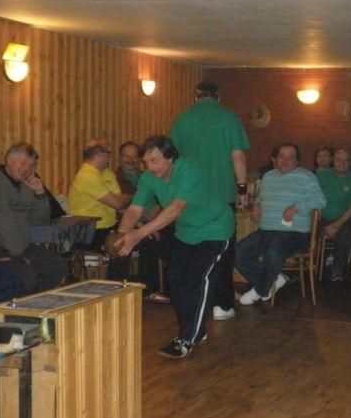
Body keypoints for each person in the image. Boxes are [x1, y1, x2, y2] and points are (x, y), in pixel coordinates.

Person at [115, 136, 234, 359]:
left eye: (155, 161)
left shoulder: (191, 170)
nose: (149, 167)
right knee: (175, 279)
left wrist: (139, 234)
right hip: (187, 233)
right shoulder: (148, 178)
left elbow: (176, 208)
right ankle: (195, 330)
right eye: (146, 162)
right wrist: (122, 237)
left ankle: (187, 339)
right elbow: (134, 210)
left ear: (170, 158)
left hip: (215, 229)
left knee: (199, 279)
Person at [170, 82, 250, 321]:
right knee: (222, 251)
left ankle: (194, 303)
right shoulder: (230, 118)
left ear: (195, 96)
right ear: (218, 97)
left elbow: (172, 159)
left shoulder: (182, 119)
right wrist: (242, 189)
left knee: (191, 249)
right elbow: (238, 157)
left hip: (189, 195)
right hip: (221, 195)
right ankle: (222, 304)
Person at [236, 143, 326, 305]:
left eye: (290, 157)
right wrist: (256, 205)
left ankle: (262, 289)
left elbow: (320, 200)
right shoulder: (268, 176)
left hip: (295, 233)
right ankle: (273, 279)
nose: (285, 160)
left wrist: (296, 207)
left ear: (297, 161)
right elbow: (260, 197)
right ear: (275, 159)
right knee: (237, 253)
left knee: (274, 249)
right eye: (281, 156)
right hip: (266, 231)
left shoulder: (306, 176)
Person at [0, 143, 67, 294]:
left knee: (57, 265)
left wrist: (40, 194)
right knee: (26, 275)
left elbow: (39, 222)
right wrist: (19, 255)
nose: (27, 169)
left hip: (20, 246)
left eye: (32, 166)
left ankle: (35, 302)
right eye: (23, 163)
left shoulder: (26, 186)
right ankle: (18, 306)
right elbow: (4, 222)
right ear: (9, 160)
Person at [68, 138, 134, 281]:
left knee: (140, 239)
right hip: (89, 231)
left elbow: (118, 199)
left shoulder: (105, 172)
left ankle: (131, 285)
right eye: (107, 153)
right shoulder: (87, 176)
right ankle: (114, 286)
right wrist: (130, 196)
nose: (110, 156)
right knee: (120, 245)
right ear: (99, 155)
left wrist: (123, 200)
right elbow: (118, 203)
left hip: (106, 226)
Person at [115, 140, 172, 303]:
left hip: (151, 220)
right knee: (142, 241)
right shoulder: (116, 178)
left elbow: (159, 203)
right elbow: (122, 208)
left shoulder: (145, 175)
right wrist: (142, 226)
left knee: (171, 239)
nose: (130, 160)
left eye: (134, 156)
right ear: (120, 158)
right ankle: (144, 290)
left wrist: (150, 220)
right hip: (126, 223)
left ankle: (170, 286)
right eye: (126, 156)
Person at [316, 149, 351, 282]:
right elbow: (312, 196)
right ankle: (310, 267)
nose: (342, 163)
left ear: (350, 162)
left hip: (343, 220)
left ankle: (337, 271)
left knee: (344, 236)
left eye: (346, 160)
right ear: (333, 160)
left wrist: (336, 225)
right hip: (320, 218)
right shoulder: (322, 176)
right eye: (339, 159)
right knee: (305, 232)